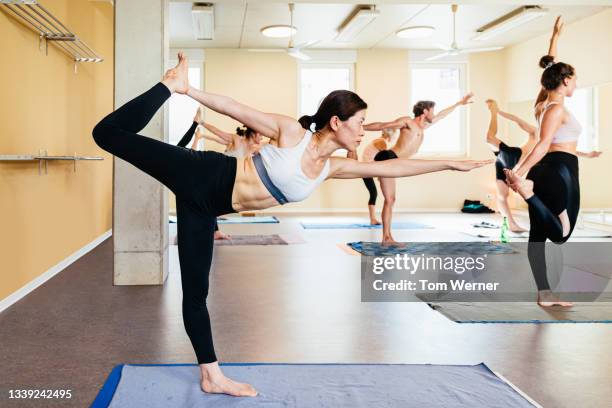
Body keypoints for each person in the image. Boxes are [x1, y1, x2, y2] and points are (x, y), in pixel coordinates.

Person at [92, 52, 491, 397]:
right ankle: (167, 84)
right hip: (202, 174)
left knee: (196, 292)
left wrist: (449, 163)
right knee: (107, 134)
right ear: (337, 122)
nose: (366, 129)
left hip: (204, 209)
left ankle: (211, 375)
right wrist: (187, 90)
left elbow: (397, 166)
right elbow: (235, 108)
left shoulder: (332, 168)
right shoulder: (292, 133)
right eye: (361, 121)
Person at [504, 16, 582, 307]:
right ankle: (528, 192)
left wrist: (554, 38)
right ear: (565, 81)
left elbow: (551, 69)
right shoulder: (556, 109)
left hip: (548, 169)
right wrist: (520, 176)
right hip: (560, 168)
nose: (575, 83)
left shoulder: (543, 103)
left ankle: (545, 293)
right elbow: (542, 144)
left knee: (539, 234)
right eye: (573, 78)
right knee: (561, 235)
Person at [363, 94, 474, 243]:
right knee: (389, 199)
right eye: (432, 111)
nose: (434, 114)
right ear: (425, 111)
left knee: (390, 199)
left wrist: (459, 103)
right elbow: (383, 125)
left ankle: (387, 238)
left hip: (395, 161)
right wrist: (359, 127)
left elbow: (442, 115)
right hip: (388, 157)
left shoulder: (424, 127)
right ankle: (387, 237)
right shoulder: (407, 122)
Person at [176, 107, 230, 240]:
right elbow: (217, 136)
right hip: (206, 176)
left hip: (208, 176)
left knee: (184, 152)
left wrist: (199, 135)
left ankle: (214, 231)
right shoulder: (236, 141)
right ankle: (211, 231)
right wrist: (199, 134)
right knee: (183, 152)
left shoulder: (247, 145)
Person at [348, 128, 397, 224]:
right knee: (373, 193)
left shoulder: (379, 141)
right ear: (390, 135)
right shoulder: (381, 142)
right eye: (395, 135)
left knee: (373, 193)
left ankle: (373, 219)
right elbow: (385, 158)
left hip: (368, 169)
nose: (395, 137)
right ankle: (373, 219)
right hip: (367, 169)